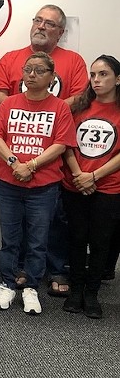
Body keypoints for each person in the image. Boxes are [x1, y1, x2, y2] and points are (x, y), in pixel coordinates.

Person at [0, 5, 88, 295]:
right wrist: (25, 104)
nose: (41, 26)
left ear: (61, 31)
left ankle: (55, 270)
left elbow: (80, 97)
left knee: (52, 220)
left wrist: (48, 107)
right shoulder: (10, 58)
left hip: (52, 157)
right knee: (14, 224)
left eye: (50, 23)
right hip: (14, 153)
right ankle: (17, 273)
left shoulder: (73, 61)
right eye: (38, 20)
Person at [0, 52, 76, 315]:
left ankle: (31, 288)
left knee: (38, 241)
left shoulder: (59, 107)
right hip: (8, 183)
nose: (32, 75)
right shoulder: (9, 103)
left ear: (52, 77)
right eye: (28, 69)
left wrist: (32, 166)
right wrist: (15, 163)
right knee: (10, 239)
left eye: (39, 70)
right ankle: (7, 284)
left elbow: (61, 144)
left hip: (44, 187)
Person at [61, 55, 120, 318]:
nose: (96, 80)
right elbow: (66, 144)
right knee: (75, 238)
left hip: (107, 187)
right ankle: (75, 290)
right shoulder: (79, 107)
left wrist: (93, 176)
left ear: (118, 79)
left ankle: (92, 293)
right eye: (93, 75)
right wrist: (79, 175)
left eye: (104, 74)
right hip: (74, 183)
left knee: (100, 241)